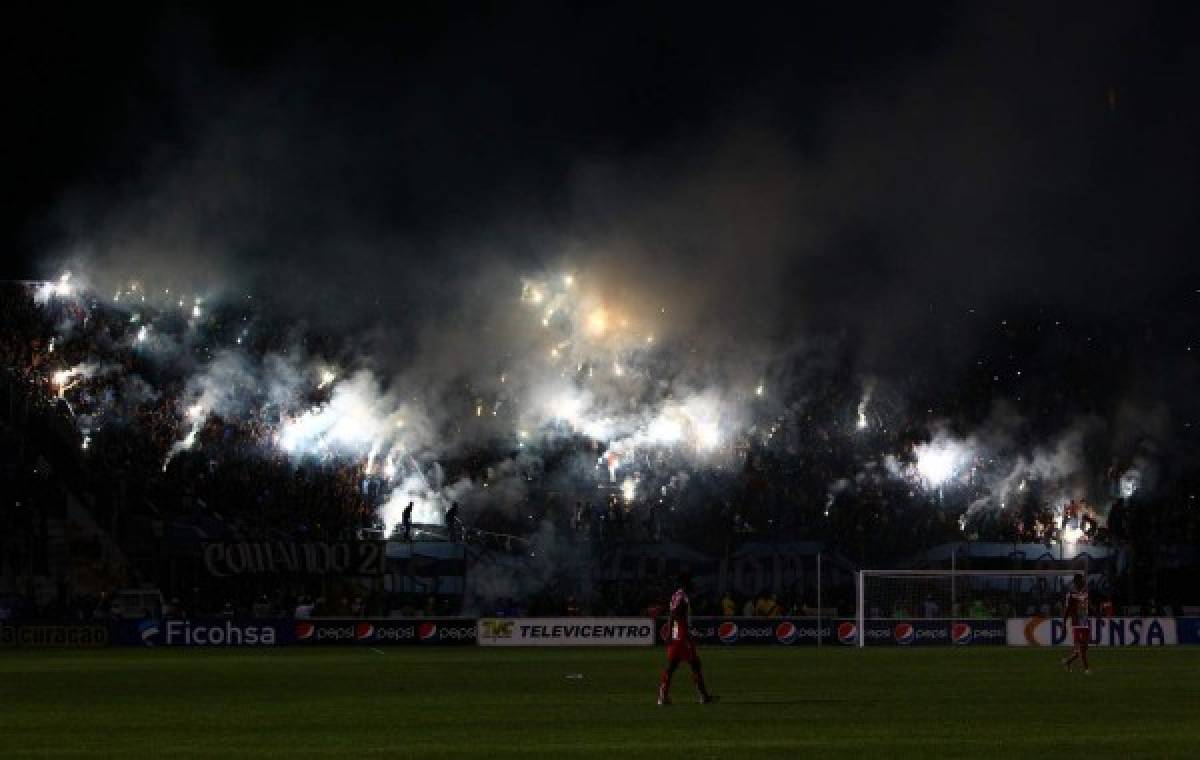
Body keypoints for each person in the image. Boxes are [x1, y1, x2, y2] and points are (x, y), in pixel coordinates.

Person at [658, 572, 716, 706]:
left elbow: (673, 614)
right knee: (695, 665)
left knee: (672, 666)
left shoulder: (676, 595)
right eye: (690, 581)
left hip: (677, 633)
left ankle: (663, 697)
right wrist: (683, 631)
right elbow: (674, 614)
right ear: (686, 583)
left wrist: (671, 632)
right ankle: (703, 696)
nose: (693, 584)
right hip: (682, 635)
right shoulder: (682, 596)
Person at [1061, 573, 1091, 674]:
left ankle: (1067, 662)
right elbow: (1067, 609)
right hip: (1076, 622)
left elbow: (1086, 604)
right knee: (1082, 647)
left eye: (1083, 580)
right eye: (1081, 580)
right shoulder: (1071, 593)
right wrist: (1064, 624)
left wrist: (1095, 612)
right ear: (1076, 581)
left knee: (1084, 648)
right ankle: (1087, 670)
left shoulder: (1085, 590)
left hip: (1085, 621)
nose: (1083, 581)